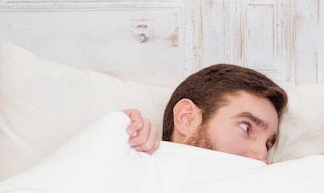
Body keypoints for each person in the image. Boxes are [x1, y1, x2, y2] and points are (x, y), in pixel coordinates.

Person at [123, 63, 288, 164]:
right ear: (187, 118)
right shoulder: (129, 170)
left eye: (268, 145)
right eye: (246, 127)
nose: (262, 157)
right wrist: (116, 135)